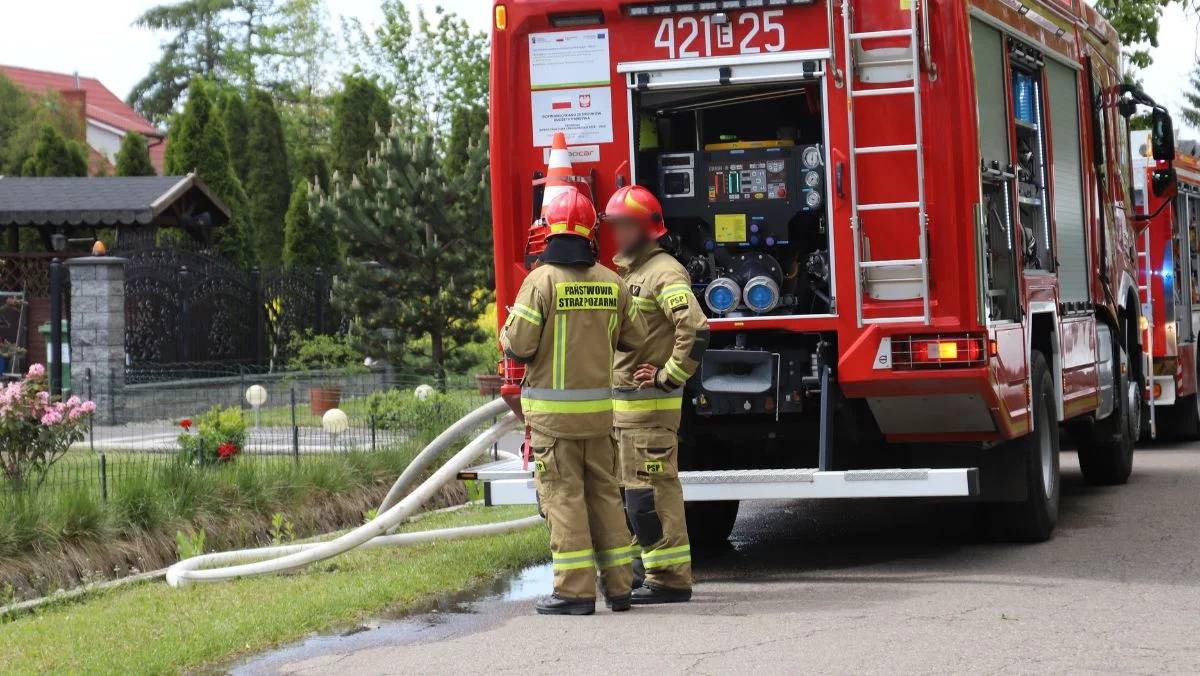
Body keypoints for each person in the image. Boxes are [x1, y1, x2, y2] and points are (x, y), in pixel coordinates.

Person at [500, 188, 646, 616]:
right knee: (604, 498)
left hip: (552, 422)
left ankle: (574, 592)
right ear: (590, 231)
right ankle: (620, 588)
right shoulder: (610, 282)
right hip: (600, 420)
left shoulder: (541, 281)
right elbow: (634, 338)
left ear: (548, 231)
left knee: (564, 500)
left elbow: (519, 345)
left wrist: (511, 330)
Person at [605, 185, 710, 604]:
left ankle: (669, 579)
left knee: (652, 497)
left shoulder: (664, 272)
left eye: (624, 225)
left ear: (647, 228)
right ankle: (635, 575)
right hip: (625, 416)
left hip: (650, 414)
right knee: (632, 498)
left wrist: (669, 376)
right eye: (614, 226)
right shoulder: (630, 274)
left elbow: (696, 328)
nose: (617, 234)